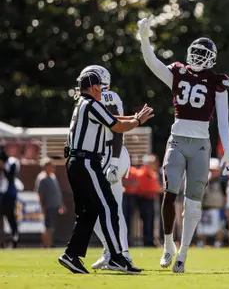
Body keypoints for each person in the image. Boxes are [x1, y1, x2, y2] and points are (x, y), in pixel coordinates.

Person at [138, 18, 229, 273]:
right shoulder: (178, 72)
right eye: (196, 52)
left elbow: (222, 121)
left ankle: (184, 253)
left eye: (204, 54)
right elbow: (153, 63)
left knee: (193, 203)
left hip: (202, 144)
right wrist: (144, 38)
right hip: (178, 140)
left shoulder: (217, 82)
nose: (198, 57)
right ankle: (168, 244)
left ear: (212, 58)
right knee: (170, 193)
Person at [58, 70, 153, 274]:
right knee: (109, 206)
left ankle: (71, 255)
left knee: (89, 211)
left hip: (76, 162)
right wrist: (137, 122)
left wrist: (134, 117)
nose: (102, 91)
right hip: (86, 162)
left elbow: (111, 117)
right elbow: (117, 126)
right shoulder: (91, 104)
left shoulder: (83, 105)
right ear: (94, 88)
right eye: (100, 88)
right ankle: (117, 257)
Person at [74, 65, 136, 270]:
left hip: (111, 154)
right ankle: (111, 251)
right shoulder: (87, 100)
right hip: (101, 155)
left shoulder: (108, 96)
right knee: (96, 208)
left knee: (112, 207)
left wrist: (116, 161)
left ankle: (123, 254)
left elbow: (117, 130)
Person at [35, 157, 66, 248]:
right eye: (51, 166)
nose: (53, 167)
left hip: (55, 206)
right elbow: (40, 194)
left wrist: (61, 204)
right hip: (48, 206)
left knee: (51, 227)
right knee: (47, 226)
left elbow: (57, 192)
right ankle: (46, 245)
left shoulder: (52, 176)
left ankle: (50, 243)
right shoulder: (42, 178)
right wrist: (42, 206)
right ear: (46, 167)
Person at [196, 158, 226, 248]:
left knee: (219, 227)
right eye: (211, 170)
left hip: (217, 208)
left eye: (215, 170)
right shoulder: (203, 181)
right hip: (205, 208)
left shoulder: (222, 182)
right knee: (202, 228)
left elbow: (225, 196)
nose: (213, 172)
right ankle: (201, 243)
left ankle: (218, 243)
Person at [135, 154, 162, 247]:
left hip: (151, 199)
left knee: (150, 221)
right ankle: (147, 241)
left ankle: (150, 240)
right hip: (144, 199)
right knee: (146, 221)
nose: (155, 164)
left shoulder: (152, 173)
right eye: (153, 162)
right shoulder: (141, 173)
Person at [0, 148, 20, 248]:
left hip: (9, 195)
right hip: (1, 194)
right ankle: (2, 240)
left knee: (10, 217)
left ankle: (14, 238)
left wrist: (3, 167)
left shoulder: (11, 162)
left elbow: (10, 177)